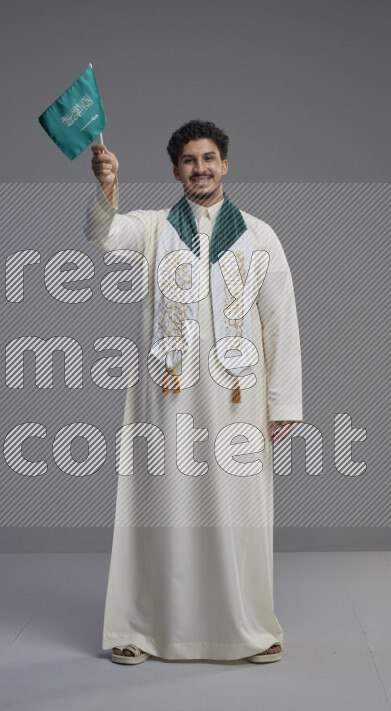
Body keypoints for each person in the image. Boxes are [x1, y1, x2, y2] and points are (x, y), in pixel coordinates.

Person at [85, 119, 303, 664]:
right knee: (162, 506)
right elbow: (104, 235)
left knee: (237, 509)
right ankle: (143, 628)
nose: (200, 168)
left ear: (224, 164)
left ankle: (246, 627)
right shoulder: (157, 228)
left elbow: (279, 319)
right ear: (176, 170)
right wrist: (107, 187)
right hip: (169, 393)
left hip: (237, 396)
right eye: (188, 161)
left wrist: (284, 401)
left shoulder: (260, 235)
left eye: (209, 159)